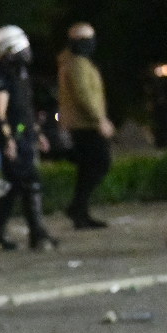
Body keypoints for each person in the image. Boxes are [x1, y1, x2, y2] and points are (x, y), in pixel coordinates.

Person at [0, 25, 57, 251]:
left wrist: (36, 131)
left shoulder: (19, 71)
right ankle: (37, 233)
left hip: (22, 131)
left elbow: (24, 108)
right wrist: (9, 140)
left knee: (14, 185)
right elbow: (0, 112)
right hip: (13, 135)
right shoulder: (0, 73)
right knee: (29, 181)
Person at [57, 23, 113, 230]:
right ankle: (77, 208)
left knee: (88, 168)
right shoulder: (78, 64)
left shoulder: (74, 62)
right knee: (100, 163)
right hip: (85, 124)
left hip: (82, 123)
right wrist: (100, 120)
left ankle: (80, 212)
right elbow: (84, 95)